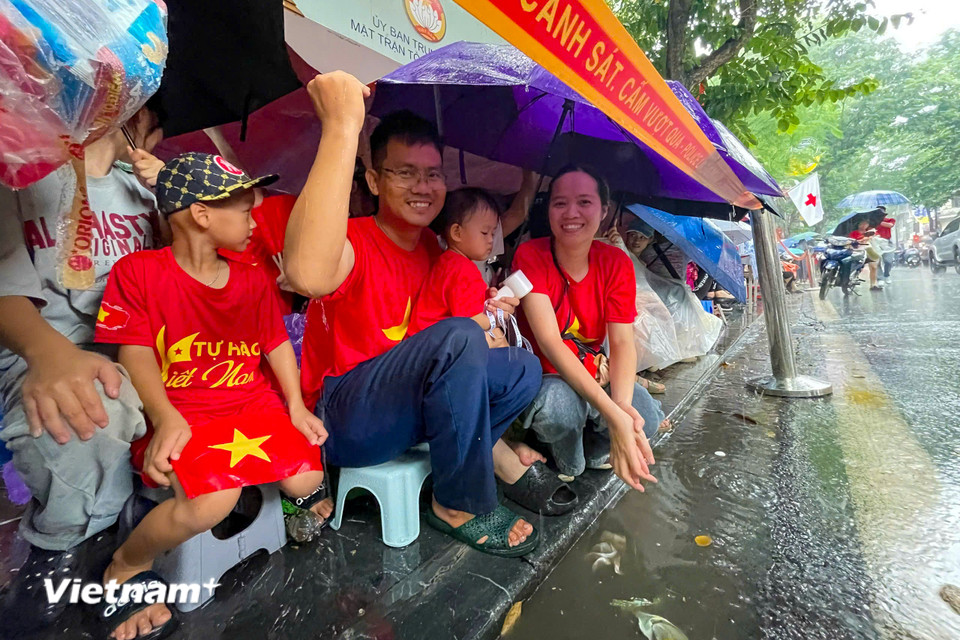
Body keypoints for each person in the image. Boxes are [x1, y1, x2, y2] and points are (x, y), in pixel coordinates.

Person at [284, 73, 543, 556]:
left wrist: (490, 310)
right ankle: (455, 504)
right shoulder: (354, 241)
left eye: (433, 174)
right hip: (346, 417)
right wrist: (342, 126)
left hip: (408, 407)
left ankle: (466, 461)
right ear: (374, 181)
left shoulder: (434, 247)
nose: (423, 187)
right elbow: (307, 275)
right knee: (460, 337)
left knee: (523, 369)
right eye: (405, 173)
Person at [93, 153, 331, 639]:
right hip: (185, 410)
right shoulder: (138, 272)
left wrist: (295, 405)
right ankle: (126, 564)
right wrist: (165, 416)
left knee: (307, 479)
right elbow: (133, 351)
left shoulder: (252, 276)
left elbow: (275, 343)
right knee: (212, 501)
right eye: (244, 211)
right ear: (201, 214)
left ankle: (261, 500)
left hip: (250, 402)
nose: (254, 221)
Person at [0, 100, 165, 634]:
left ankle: (134, 539)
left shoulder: (146, 195)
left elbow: (185, 280)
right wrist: (49, 354)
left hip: (139, 351)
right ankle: (64, 550)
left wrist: (174, 203)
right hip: (44, 348)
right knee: (89, 410)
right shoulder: (19, 176)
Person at [410, 187, 578, 515]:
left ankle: (497, 446)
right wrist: (497, 336)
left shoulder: (453, 265)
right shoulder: (460, 269)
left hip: (431, 363)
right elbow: (468, 330)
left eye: (494, 233)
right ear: (456, 232)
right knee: (520, 369)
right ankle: (485, 457)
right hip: (440, 370)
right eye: (485, 233)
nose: (492, 240)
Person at [509, 165, 665, 488]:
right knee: (560, 409)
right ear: (548, 209)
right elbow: (551, 343)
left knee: (644, 418)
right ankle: (567, 458)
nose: (571, 213)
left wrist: (621, 408)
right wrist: (613, 415)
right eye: (560, 203)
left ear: (604, 210)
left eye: (584, 202)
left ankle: (596, 445)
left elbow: (621, 343)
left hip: (592, 372)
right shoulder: (530, 256)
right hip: (548, 379)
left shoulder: (616, 263)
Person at [849, 219, 881, 290]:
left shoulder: (871, 231)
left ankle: (873, 284)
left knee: (874, 267)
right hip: (858, 251)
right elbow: (851, 242)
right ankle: (852, 279)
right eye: (862, 224)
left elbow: (878, 238)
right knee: (858, 267)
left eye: (865, 224)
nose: (863, 225)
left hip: (869, 249)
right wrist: (862, 240)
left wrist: (873, 237)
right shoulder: (854, 233)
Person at [875, 206, 896, 283]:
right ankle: (880, 278)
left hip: (887, 242)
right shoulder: (871, 222)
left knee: (888, 261)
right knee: (877, 261)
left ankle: (886, 274)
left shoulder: (890, 220)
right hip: (876, 242)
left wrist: (878, 222)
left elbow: (890, 225)